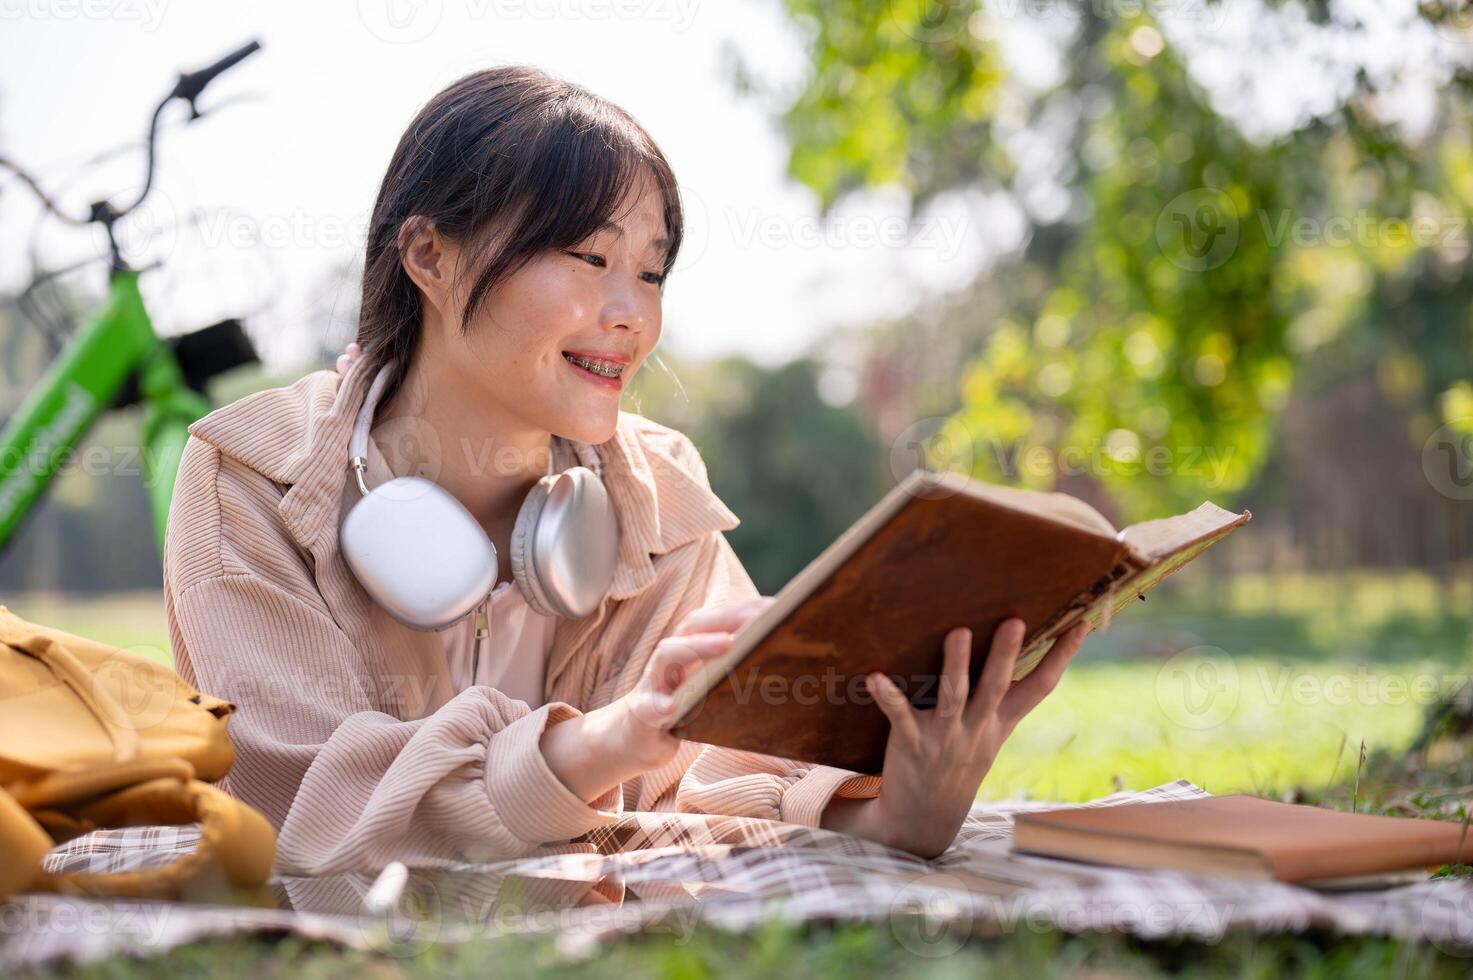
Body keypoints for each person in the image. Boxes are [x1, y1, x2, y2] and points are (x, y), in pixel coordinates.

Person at [163, 65, 1090, 876]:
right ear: (429, 256)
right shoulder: (252, 478)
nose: (630, 316)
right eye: (589, 257)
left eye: (649, 272)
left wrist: (897, 813)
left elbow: (720, 779)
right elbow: (295, 806)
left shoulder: (657, 496)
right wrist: (607, 740)